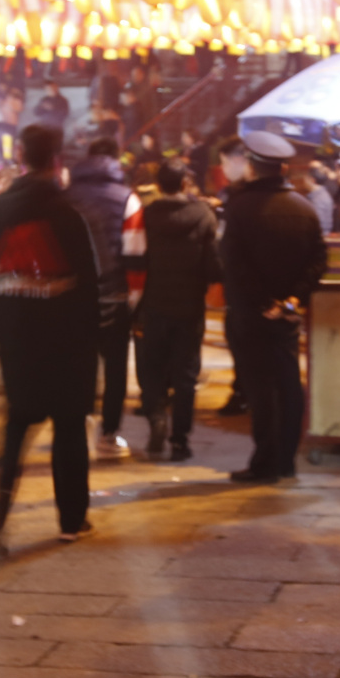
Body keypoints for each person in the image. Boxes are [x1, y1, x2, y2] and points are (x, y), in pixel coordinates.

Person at [0, 125, 101, 554]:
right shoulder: (70, 213)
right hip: (66, 342)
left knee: (17, 427)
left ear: (21, 154)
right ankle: (71, 520)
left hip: (18, 340)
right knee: (68, 430)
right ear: (57, 157)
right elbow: (88, 285)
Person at [219, 131, 326, 484]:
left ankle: (264, 463)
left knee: (260, 389)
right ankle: (285, 461)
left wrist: (265, 303)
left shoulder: (238, 208)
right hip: (288, 316)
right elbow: (318, 262)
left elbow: (234, 266)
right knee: (289, 385)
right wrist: (291, 301)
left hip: (251, 315)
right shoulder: (304, 208)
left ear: (252, 166)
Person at [133, 160, 221, 460]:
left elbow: (136, 259)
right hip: (189, 306)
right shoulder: (204, 216)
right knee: (185, 375)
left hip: (152, 304)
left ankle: (157, 417)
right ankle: (180, 440)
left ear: (158, 186)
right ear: (185, 184)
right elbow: (213, 266)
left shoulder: (146, 216)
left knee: (152, 366)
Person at [64, 137, 143, 459]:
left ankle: (76, 427)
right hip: (115, 297)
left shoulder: (65, 198)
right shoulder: (129, 199)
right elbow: (136, 256)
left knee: (77, 364)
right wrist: (133, 301)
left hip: (71, 299)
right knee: (114, 369)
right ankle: (108, 436)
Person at [212, 136, 253, 417]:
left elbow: (227, 245)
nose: (223, 169)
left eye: (225, 162)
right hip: (246, 286)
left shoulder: (241, 199)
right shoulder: (239, 197)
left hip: (243, 287)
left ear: (239, 161)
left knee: (242, 343)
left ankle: (244, 393)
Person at [287, 152, 336, 235]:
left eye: (305, 179)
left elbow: (317, 226)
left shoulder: (318, 199)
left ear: (311, 180)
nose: (303, 181)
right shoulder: (318, 195)